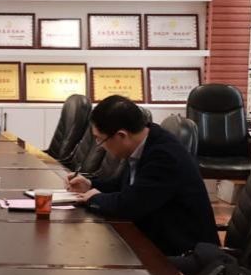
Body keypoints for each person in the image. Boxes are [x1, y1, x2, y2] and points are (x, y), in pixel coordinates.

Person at [65, 95, 217, 256]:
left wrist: (93, 199)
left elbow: (130, 205)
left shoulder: (164, 156)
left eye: (100, 139)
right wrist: (90, 184)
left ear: (121, 135)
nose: (99, 146)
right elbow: (125, 187)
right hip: (154, 237)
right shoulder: (146, 140)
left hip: (184, 253)